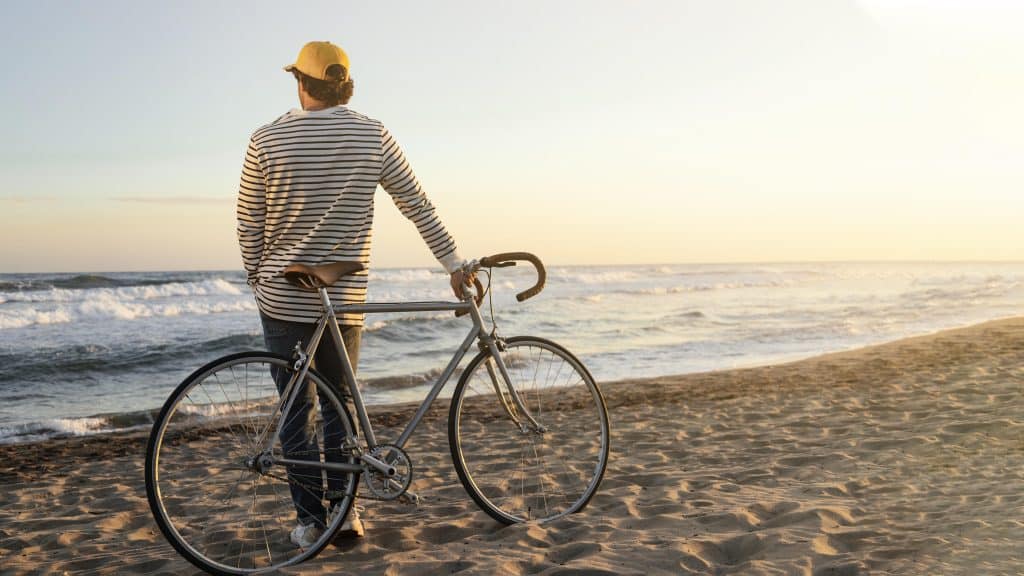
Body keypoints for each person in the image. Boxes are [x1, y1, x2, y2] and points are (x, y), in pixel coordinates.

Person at [236, 40, 470, 548]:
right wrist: (453, 263)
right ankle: (346, 515)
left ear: (301, 84)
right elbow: (416, 204)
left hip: (281, 297)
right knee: (342, 402)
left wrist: (258, 275)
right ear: (347, 88)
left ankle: (309, 523)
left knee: (297, 409)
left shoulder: (265, 140)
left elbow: (248, 220)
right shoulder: (372, 134)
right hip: (343, 298)